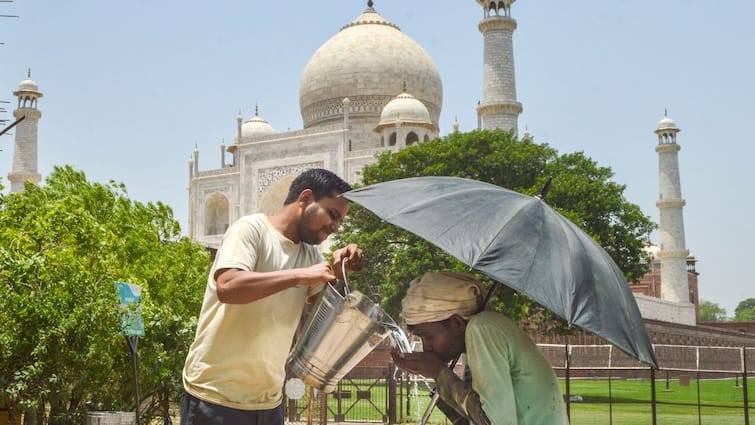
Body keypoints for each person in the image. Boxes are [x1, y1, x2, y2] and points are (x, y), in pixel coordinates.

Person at [181, 168, 364, 425]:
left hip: (268, 404)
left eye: (340, 221)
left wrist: (338, 270)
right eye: (332, 215)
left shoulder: (309, 255)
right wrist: (299, 276)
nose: (335, 228)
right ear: (306, 199)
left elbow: (325, 320)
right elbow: (228, 286)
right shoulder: (251, 230)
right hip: (216, 398)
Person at [391, 272, 569, 425]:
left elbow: (492, 421)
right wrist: (439, 378)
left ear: (456, 323)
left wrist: (440, 373)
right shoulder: (478, 333)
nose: (426, 347)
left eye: (428, 337)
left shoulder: (482, 328)